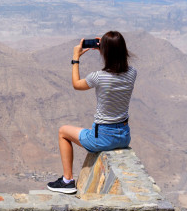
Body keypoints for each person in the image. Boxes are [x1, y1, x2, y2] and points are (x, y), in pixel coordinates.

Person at [47, 31, 137, 194]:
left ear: (105, 52)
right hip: (124, 136)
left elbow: (76, 84)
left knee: (63, 132)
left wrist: (76, 58)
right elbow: (118, 67)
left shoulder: (99, 77)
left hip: (103, 138)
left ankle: (67, 180)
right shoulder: (132, 73)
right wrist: (106, 49)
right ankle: (67, 180)